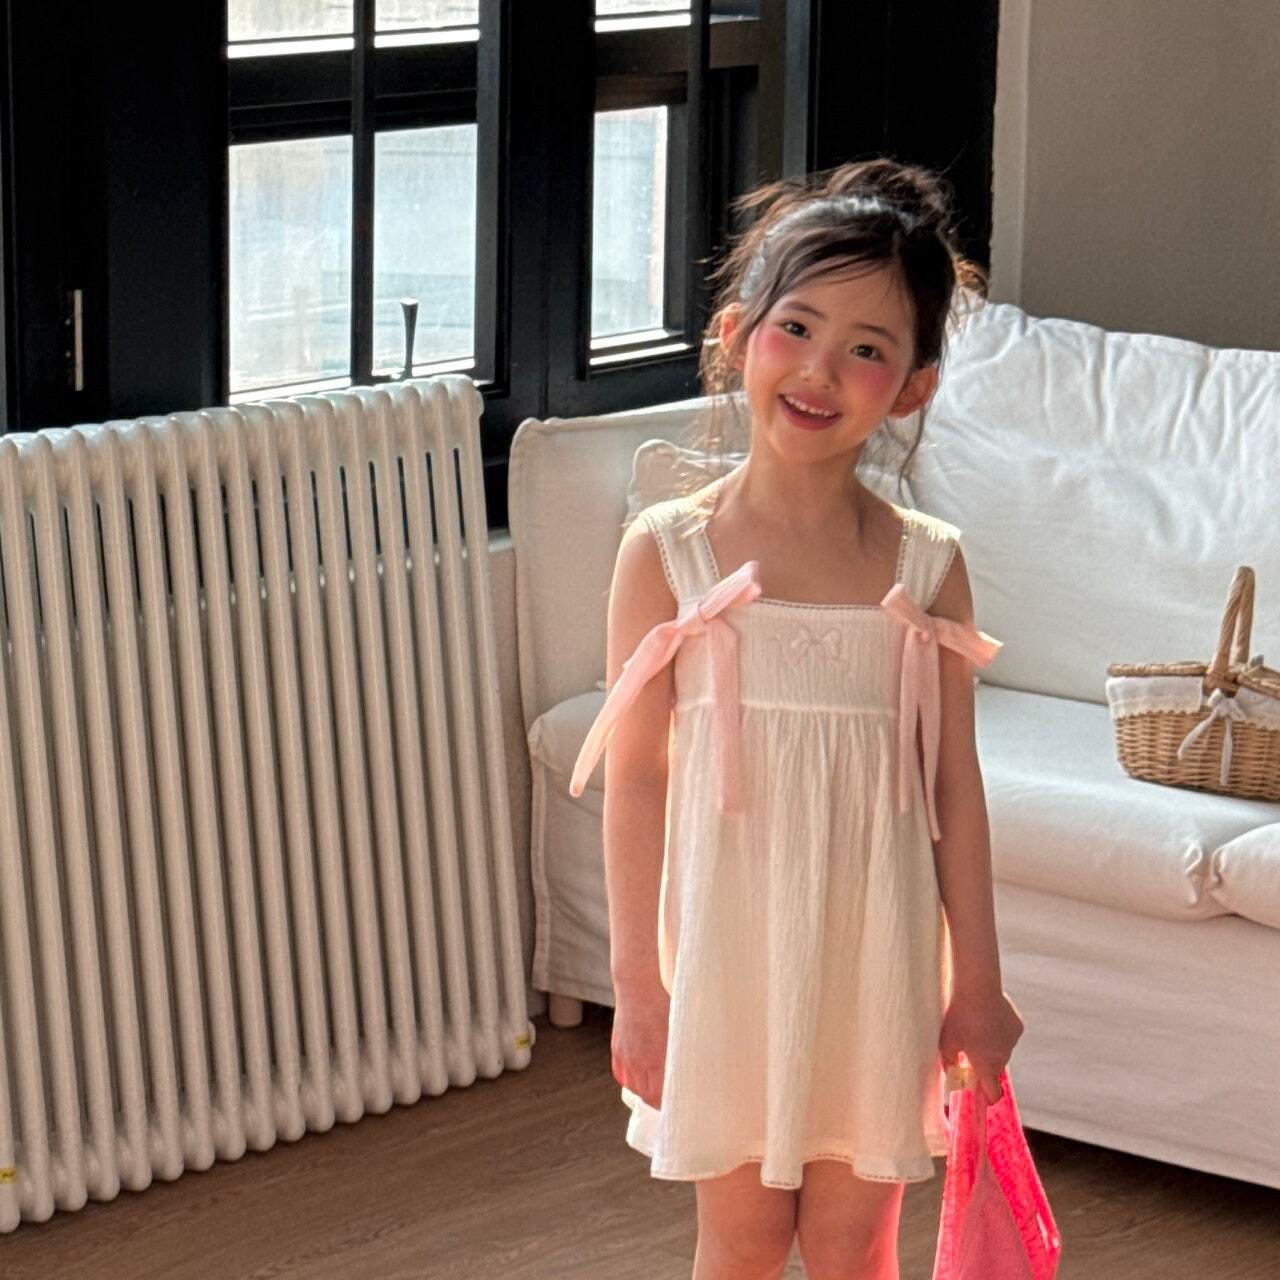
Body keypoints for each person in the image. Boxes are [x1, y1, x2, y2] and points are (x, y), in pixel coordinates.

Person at [568, 156, 1025, 1280]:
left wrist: (977, 983)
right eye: (797, 328)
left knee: (849, 1241)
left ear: (910, 387)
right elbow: (637, 777)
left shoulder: (926, 569)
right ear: (737, 335)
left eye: (867, 349)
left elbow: (954, 791)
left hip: (876, 969)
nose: (821, 370)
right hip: (725, 968)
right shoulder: (666, 554)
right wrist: (637, 987)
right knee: (741, 1240)